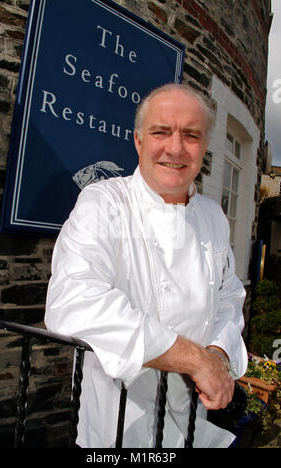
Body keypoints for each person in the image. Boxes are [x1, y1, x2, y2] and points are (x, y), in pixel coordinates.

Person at [45, 83, 248, 448]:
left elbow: (229, 297)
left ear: (203, 147)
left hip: (192, 418)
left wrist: (216, 354)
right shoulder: (103, 204)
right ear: (139, 141)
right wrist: (194, 360)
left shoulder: (214, 217)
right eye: (161, 132)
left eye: (191, 135)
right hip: (119, 425)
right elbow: (74, 301)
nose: (175, 147)